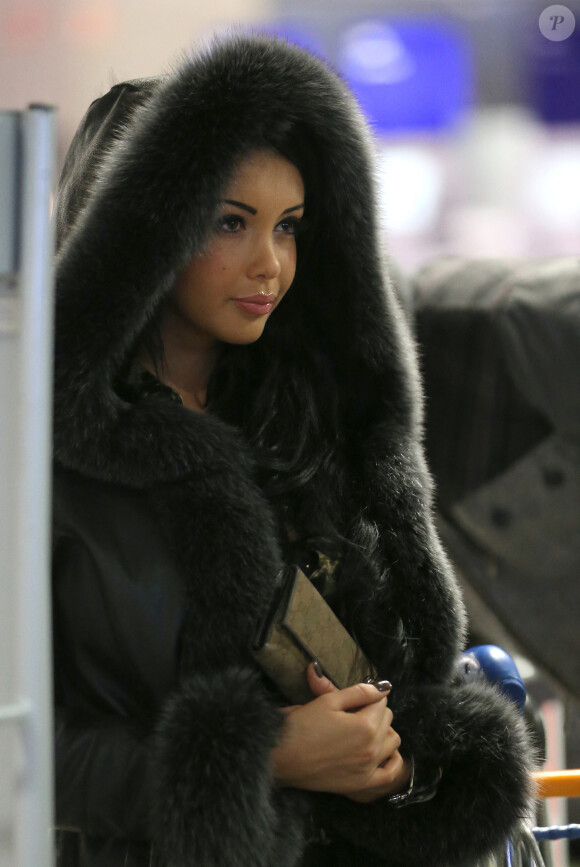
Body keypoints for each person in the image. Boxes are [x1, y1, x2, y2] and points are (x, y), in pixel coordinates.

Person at [52, 32, 532, 867]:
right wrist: (263, 755)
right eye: (229, 221)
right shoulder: (43, 464)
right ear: (139, 231)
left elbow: (403, 685)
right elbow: (25, 748)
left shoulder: (323, 430)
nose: (270, 263)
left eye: (291, 226)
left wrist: (397, 764)